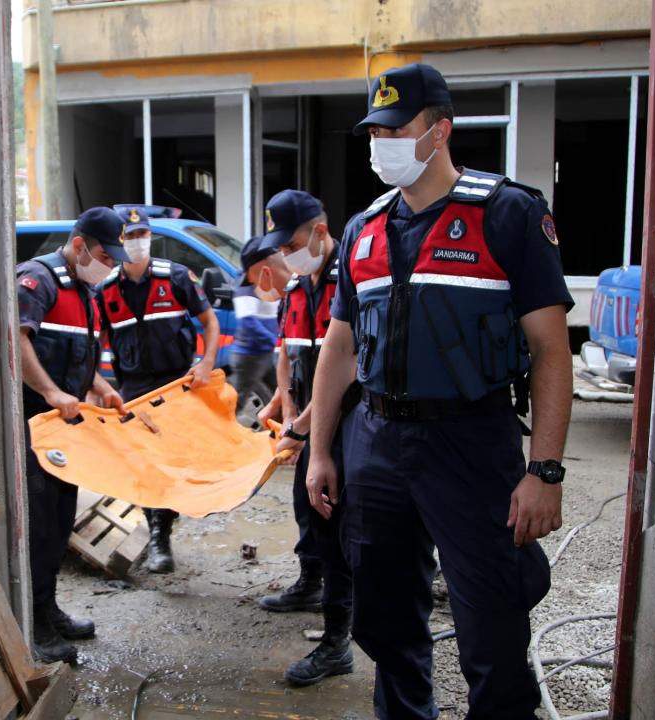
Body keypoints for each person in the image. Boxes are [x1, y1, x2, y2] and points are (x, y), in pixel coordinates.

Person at [305, 63, 573, 719]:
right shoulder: (363, 230)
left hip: (470, 442)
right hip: (376, 444)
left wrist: (544, 470)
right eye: (375, 132)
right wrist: (321, 451)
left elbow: (551, 350)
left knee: (493, 617)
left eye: (397, 129)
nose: (382, 144)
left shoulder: (507, 214)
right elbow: (339, 347)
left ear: (440, 131)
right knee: (385, 618)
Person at [253, 189, 358, 686]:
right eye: (281, 247)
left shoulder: (351, 281)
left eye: (291, 244)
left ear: (320, 231)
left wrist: (300, 429)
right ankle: (318, 599)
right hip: (313, 431)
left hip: (350, 431)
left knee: (343, 534)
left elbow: (346, 369)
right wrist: (288, 409)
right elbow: (287, 354)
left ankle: (339, 642)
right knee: (316, 522)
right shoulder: (297, 289)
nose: (286, 255)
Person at [17, 206, 130, 664]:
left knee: (61, 520)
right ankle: (34, 624)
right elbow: (16, 340)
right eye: (104, 255)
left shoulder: (83, 290)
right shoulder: (38, 280)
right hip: (34, 426)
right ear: (79, 244)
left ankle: (48, 607)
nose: (110, 265)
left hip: (66, 430)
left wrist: (100, 387)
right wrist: (49, 391)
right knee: (40, 526)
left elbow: (79, 352)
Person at [97, 207, 220, 574]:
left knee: (171, 459)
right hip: (134, 387)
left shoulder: (176, 276)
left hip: (175, 384)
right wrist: (96, 385)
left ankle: (161, 527)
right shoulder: (105, 289)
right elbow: (94, 342)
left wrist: (206, 363)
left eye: (143, 234)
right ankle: (158, 537)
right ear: (118, 240)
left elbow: (210, 322)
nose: (138, 242)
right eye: (130, 236)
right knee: (146, 462)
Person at [229, 237, 284, 416]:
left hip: (266, 352)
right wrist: (275, 341)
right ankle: (219, 428)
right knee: (235, 402)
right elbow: (249, 324)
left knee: (281, 395)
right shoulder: (246, 288)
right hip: (250, 356)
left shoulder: (277, 283)